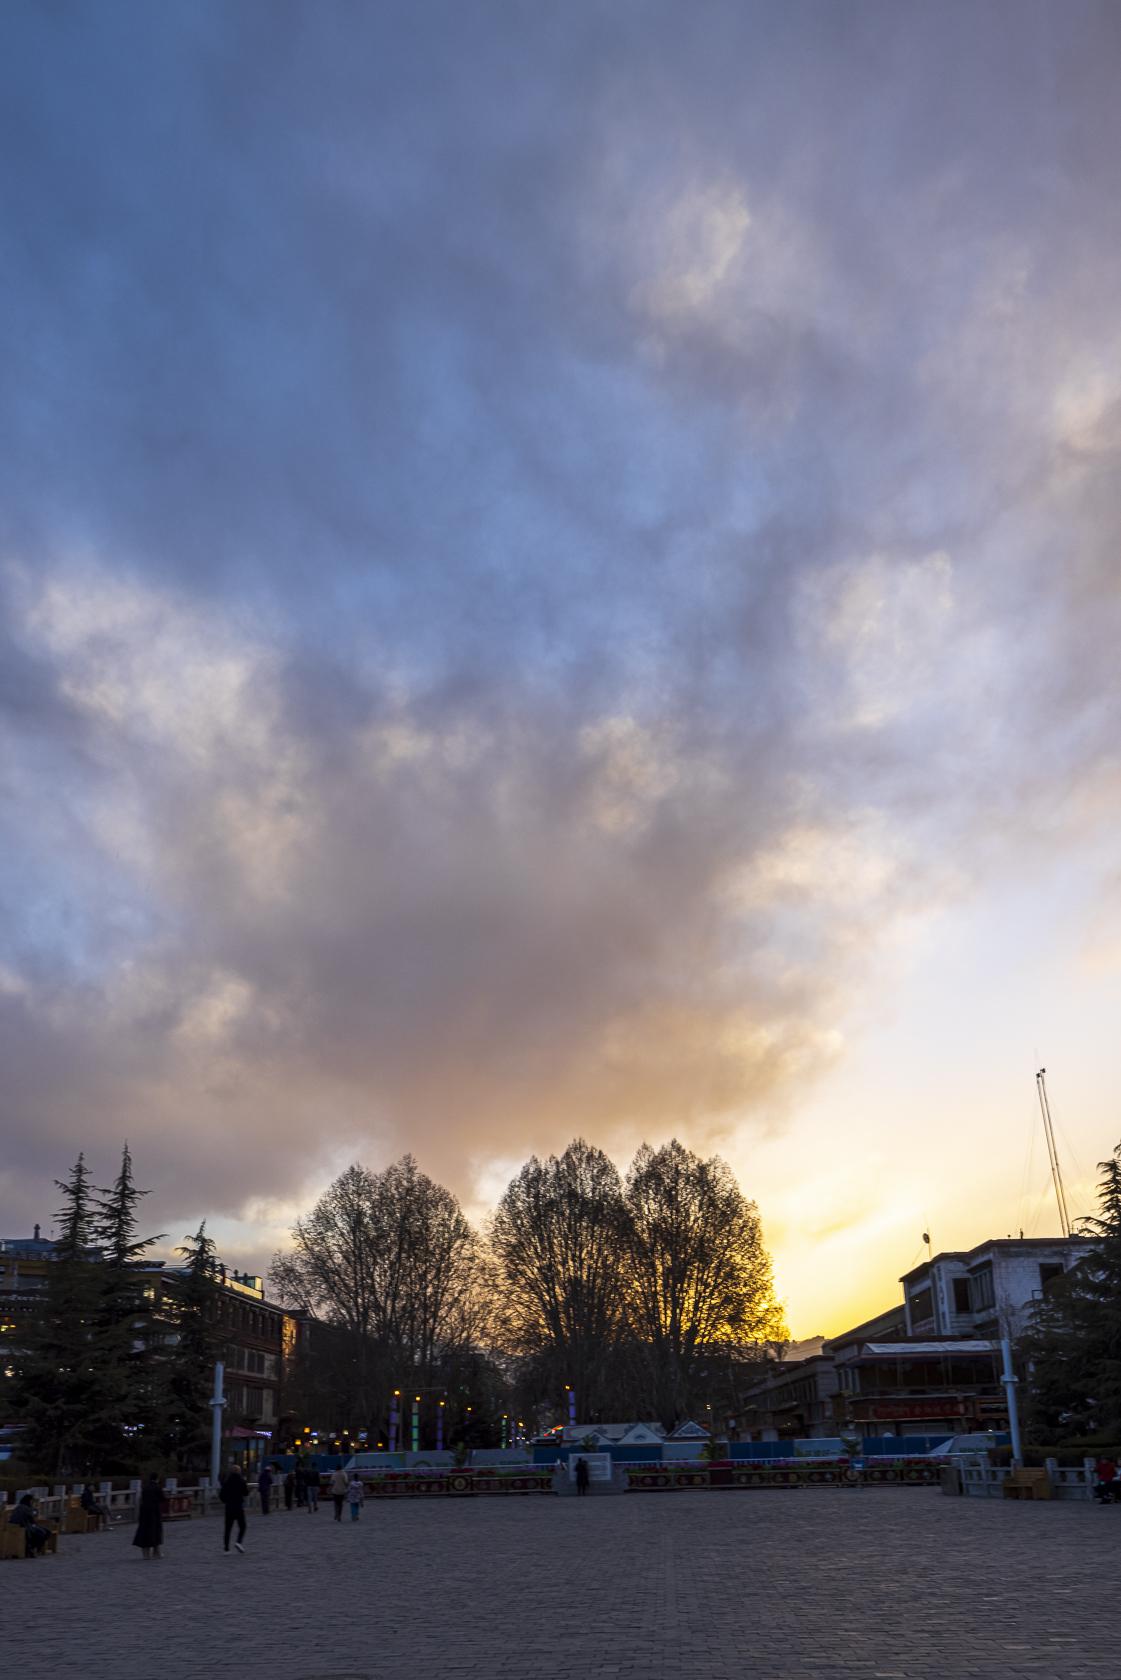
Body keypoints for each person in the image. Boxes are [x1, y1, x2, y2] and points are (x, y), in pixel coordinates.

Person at [132, 1473, 165, 1559]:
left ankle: (146, 1554)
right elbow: (162, 1499)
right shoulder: (157, 1488)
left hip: (144, 1512)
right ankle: (156, 1552)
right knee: (155, 1531)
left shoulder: (145, 1487)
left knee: (144, 1531)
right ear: (157, 1479)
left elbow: (142, 1499)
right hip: (154, 1512)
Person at [220, 1460, 249, 1553]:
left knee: (228, 1528)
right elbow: (246, 1493)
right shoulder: (241, 1481)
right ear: (239, 1471)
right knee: (243, 1526)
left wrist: (226, 1501)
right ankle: (238, 1542)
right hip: (238, 1507)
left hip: (229, 1507)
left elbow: (221, 1495)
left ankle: (226, 1548)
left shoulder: (227, 1481)